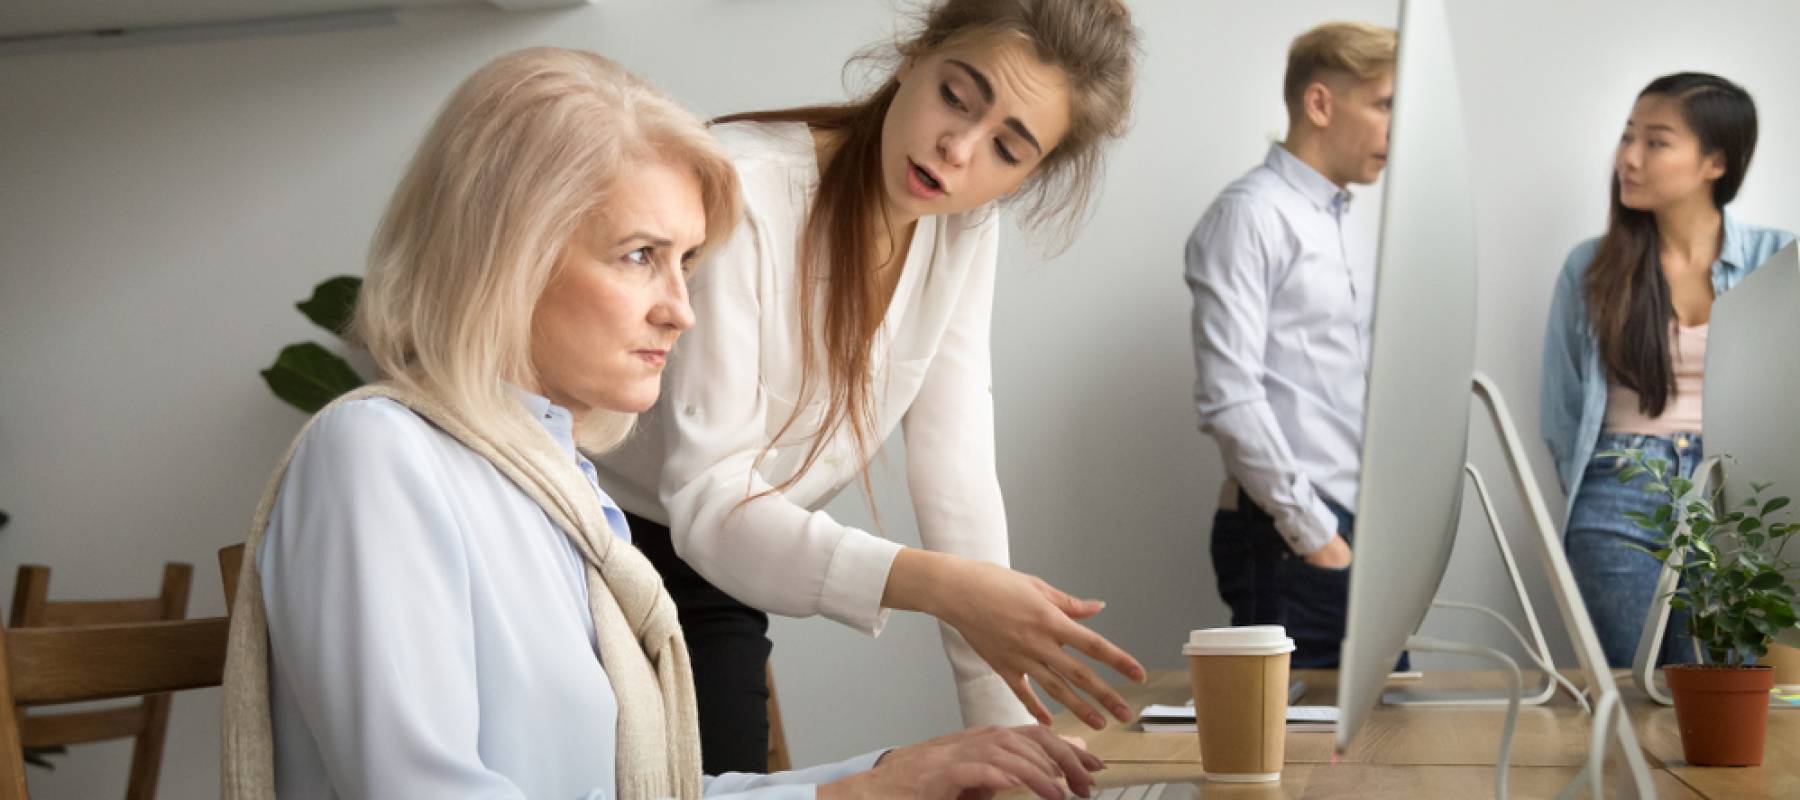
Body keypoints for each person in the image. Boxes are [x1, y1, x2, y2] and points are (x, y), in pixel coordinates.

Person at [219, 47, 1104, 800]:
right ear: (510, 250)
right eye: (641, 256)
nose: (682, 310)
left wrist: (882, 779)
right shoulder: (375, 457)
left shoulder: (565, 498)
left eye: (686, 261)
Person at [595, 0, 1145, 770]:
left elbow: (955, 470)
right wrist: (938, 584)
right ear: (914, 56)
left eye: (1007, 149)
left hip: (725, 562)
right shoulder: (746, 190)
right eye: (957, 96)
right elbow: (708, 495)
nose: (959, 149)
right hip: (594, 532)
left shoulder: (963, 226)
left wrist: (1010, 731)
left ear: (1029, 174)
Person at [1541, 72, 1794, 668]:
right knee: (1635, 687)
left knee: (1729, 691)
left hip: (1737, 492)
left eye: (1656, 142)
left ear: (1715, 162)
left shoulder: (1777, 258)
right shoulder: (1591, 266)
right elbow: (1562, 409)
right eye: (1628, 136)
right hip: (1619, 489)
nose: (1628, 158)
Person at [1183, 21, 1395, 668]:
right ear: (1320, 103)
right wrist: (1315, 535)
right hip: (1293, 533)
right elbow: (1230, 399)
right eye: (1384, 105)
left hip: (1350, 525)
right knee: (1293, 734)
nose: (1397, 129)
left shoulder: (1346, 224)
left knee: (1384, 726)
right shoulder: (1249, 216)